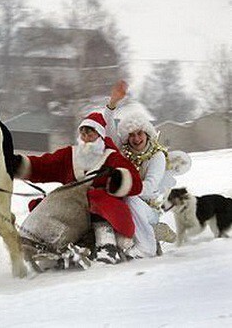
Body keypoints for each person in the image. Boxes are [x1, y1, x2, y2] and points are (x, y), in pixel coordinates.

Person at [15, 111, 143, 264]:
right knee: (50, 201)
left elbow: (135, 183)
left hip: (102, 210)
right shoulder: (70, 155)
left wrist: (118, 179)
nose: (86, 138)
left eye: (90, 134)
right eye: (83, 134)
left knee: (97, 197)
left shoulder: (112, 157)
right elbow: (44, 165)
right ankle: (44, 243)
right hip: (73, 210)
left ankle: (107, 245)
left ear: (100, 136)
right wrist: (19, 165)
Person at [103, 80, 177, 257]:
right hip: (124, 203)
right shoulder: (124, 150)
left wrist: (126, 188)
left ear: (147, 133)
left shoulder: (156, 156)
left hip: (148, 209)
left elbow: (150, 187)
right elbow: (108, 129)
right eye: (132, 135)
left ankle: (146, 247)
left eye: (139, 134)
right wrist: (112, 103)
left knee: (131, 199)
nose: (136, 139)